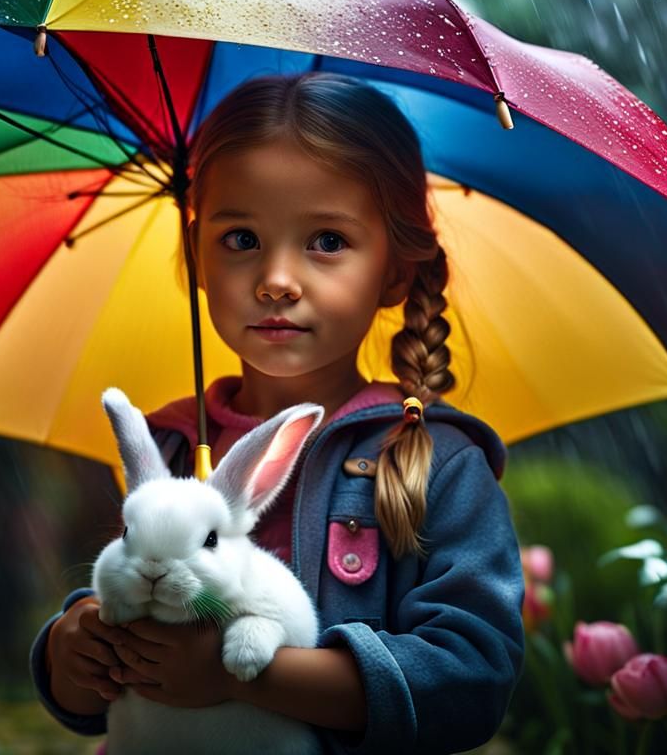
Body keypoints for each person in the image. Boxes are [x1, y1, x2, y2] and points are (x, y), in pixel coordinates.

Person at [30, 71, 525, 754]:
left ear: (394, 271)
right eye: (241, 239)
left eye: (326, 240)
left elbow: (471, 679)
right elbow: (102, 686)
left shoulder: (438, 466)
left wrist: (247, 676)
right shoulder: (172, 450)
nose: (277, 280)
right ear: (196, 254)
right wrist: (72, 650)